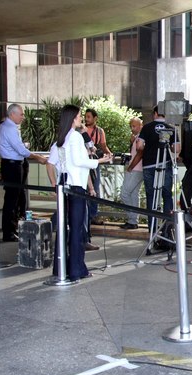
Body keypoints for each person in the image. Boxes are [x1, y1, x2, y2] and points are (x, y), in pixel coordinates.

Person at [54, 105, 112, 280]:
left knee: (64, 228)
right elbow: (80, 161)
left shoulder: (63, 137)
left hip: (64, 184)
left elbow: (58, 162)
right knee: (77, 230)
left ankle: (61, 268)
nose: (81, 119)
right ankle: (77, 269)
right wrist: (100, 160)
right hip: (76, 187)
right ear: (73, 118)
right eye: (79, 116)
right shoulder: (75, 137)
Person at [0, 103, 47, 242]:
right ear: (12, 114)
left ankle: (12, 230)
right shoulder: (9, 128)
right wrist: (38, 157)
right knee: (12, 199)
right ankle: (9, 232)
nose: (23, 117)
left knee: (16, 198)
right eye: (21, 114)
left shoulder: (6, 126)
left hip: (13, 164)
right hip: (12, 165)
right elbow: (21, 150)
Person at [130, 106, 179, 235]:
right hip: (165, 164)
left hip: (148, 166)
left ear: (155, 114)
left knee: (151, 196)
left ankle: (152, 231)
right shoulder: (171, 128)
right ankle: (167, 231)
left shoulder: (146, 128)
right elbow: (176, 149)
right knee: (167, 195)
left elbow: (140, 146)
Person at [84, 108, 111, 226]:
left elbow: (103, 146)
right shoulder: (81, 130)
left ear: (95, 118)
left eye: (89, 117)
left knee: (94, 188)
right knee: (84, 189)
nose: (86, 119)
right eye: (85, 116)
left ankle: (93, 215)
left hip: (94, 163)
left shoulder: (99, 131)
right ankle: (85, 215)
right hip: (84, 163)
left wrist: (110, 154)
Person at [119, 117, 143, 229]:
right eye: (131, 126)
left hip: (136, 169)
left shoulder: (141, 138)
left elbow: (140, 153)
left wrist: (131, 167)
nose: (132, 128)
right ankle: (133, 221)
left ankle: (132, 217)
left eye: (134, 126)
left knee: (124, 194)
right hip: (138, 169)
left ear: (140, 125)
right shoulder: (137, 138)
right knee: (133, 194)